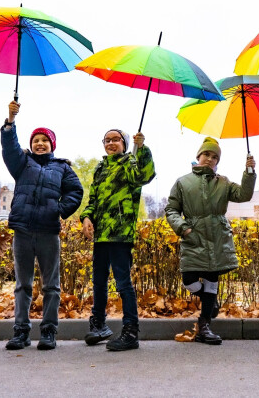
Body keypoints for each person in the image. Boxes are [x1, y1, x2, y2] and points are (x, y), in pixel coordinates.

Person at [1, 101, 83, 351]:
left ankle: (48, 331)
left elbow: (75, 191)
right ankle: (21, 331)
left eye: (44, 141)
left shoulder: (62, 167)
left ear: (52, 145)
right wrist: (10, 122)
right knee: (22, 284)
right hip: (23, 231)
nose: (39, 144)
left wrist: (58, 210)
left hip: (48, 232)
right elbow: (10, 148)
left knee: (51, 285)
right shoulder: (22, 163)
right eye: (36, 140)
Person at [165, 137, 256, 345]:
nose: (210, 159)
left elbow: (244, 194)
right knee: (189, 279)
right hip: (194, 236)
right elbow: (171, 209)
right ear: (198, 156)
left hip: (217, 238)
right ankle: (211, 301)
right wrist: (184, 228)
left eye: (214, 157)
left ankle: (204, 326)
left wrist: (249, 172)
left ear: (218, 161)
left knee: (211, 279)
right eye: (206, 154)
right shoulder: (182, 182)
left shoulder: (223, 182)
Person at [80, 128, 155, 351]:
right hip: (101, 236)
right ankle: (99, 325)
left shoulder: (130, 163)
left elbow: (145, 175)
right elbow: (93, 198)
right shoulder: (101, 168)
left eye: (116, 139)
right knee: (99, 282)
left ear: (124, 143)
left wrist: (141, 148)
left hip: (121, 234)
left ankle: (131, 331)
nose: (111, 143)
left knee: (123, 284)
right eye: (107, 140)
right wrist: (86, 217)